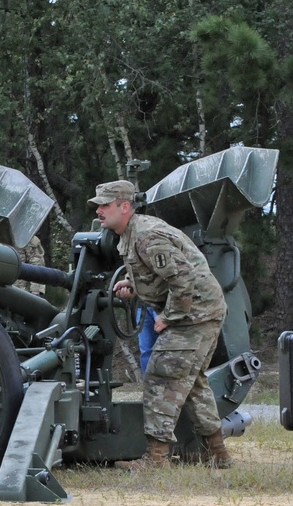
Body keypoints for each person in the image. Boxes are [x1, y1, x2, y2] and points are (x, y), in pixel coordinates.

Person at [89, 179, 233, 469]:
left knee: (161, 376)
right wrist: (134, 285)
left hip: (195, 313)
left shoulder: (146, 235)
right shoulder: (131, 233)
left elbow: (183, 280)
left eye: (105, 205)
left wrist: (168, 317)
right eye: (99, 206)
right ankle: (218, 456)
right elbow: (159, 273)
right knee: (192, 383)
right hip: (201, 310)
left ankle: (156, 460)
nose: (99, 212)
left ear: (125, 206)